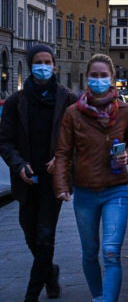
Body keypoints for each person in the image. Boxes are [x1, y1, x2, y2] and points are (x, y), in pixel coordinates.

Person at [54, 54, 128, 302]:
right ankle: (98, 296)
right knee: (90, 252)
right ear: (87, 78)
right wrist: (61, 186)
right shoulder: (73, 113)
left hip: (116, 190)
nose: (99, 80)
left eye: (104, 76)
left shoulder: (125, 112)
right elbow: (62, 152)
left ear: (112, 79)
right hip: (84, 193)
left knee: (111, 252)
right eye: (95, 75)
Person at [0, 44, 76, 302]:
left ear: (54, 65)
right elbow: (5, 141)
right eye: (38, 61)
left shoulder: (67, 99)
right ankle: (50, 273)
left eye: (47, 61)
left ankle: (31, 295)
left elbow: (80, 138)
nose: (43, 66)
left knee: (45, 235)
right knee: (30, 235)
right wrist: (19, 164)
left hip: (53, 179)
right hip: (26, 178)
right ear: (31, 65)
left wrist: (63, 158)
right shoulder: (15, 101)